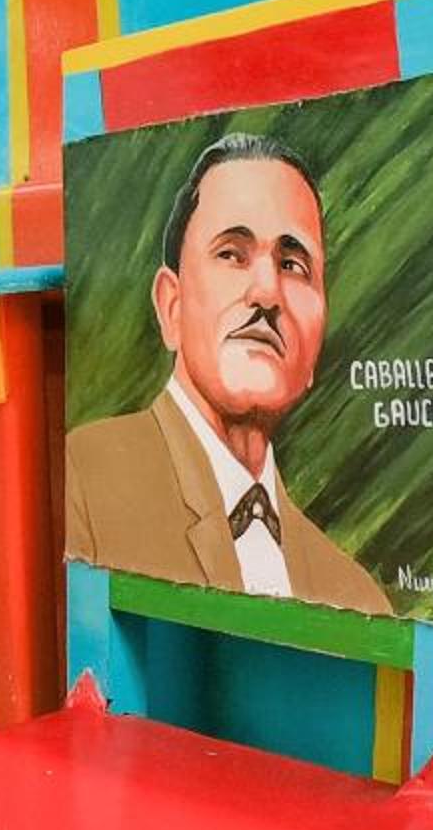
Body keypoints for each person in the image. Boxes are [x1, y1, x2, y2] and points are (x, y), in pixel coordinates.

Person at [65, 132, 390, 614]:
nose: (267, 291)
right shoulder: (82, 483)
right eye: (232, 254)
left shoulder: (356, 596)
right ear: (171, 306)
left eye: (293, 264)